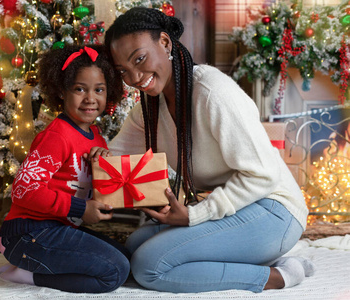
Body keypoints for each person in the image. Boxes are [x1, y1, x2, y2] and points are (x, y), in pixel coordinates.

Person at [104, 7, 315, 293]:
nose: (135, 77)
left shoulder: (212, 93)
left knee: (148, 267)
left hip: (274, 211)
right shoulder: (150, 108)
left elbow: (262, 175)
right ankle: (253, 258)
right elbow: (113, 154)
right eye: (123, 71)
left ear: (165, 43)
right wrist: (92, 157)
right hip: (235, 211)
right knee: (134, 245)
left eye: (139, 59)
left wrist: (195, 216)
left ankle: (280, 275)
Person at [0, 45, 130, 293]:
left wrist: (103, 167)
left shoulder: (96, 137)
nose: (90, 98)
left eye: (99, 90)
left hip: (59, 228)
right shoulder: (57, 136)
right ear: (61, 91)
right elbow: (24, 190)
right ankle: (29, 275)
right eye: (80, 89)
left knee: (126, 259)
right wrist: (80, 208)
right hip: (26, 235)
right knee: (114, 272)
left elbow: (88, 187)